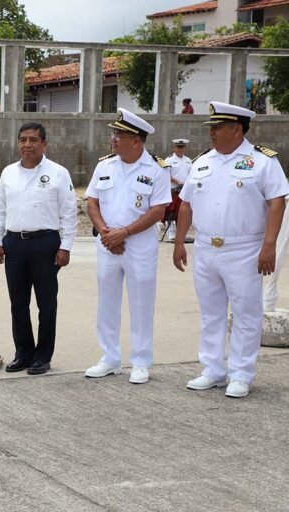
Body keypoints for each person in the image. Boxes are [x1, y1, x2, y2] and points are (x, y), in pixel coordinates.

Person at [174, 101, 289, 398]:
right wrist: (178, 242)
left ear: (237, 129)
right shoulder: (202, 161)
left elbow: (277, 201)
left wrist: (269, 245)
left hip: (245, 249)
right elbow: (186, 203)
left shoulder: (262, 161)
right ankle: (213, 369)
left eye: (218, 127)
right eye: (211, 128)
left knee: (246, 313)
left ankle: (241, 373)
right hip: (206, 247)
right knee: (211, 312)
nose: (211, 133)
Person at [84, 108, 171, 384]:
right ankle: (109, 358)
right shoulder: (105, 166)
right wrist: (105, 232)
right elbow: (92, 202)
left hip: (139, 247)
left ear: (136, 140)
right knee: (107, 303)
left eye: (119, 134)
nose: (113, 139)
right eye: (114, 133)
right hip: (109, 244)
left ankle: (141, 361)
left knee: (141, 303)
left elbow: (159, 210)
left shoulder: (156, 170)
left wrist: (125, 232)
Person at [0, 122, 77, 376]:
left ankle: (43, 356)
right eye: (22, 140)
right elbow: (0, 209)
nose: (27, 145)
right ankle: (23, 353)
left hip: (45, 244)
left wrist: (66, 247)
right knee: (18, 303)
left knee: (46, 303)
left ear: (44, 144)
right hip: (14, 244)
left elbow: (69, 212)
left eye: (33, 140)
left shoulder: (58, 173)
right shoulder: (8, 173)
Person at [162, 139, 193, 242]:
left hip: (184, 190)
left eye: (182, 147)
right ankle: (171, 234)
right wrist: (177, 181)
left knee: (182, 212)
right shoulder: (168, 160)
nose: (180, 149)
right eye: (178, 147)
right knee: (171, 211)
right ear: (174, 148)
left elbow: (191, 174)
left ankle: (181, 234)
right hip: (173, 190)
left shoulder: (188, 160)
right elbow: (165, 175)